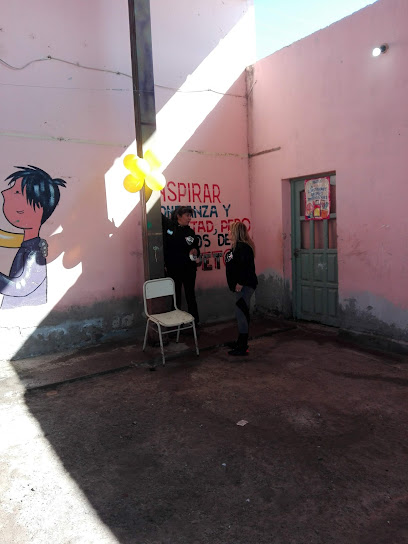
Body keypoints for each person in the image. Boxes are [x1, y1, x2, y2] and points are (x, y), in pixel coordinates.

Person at [0, 165, 66, 309]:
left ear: (37, 209)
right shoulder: (30, 245)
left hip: (24, 312)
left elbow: (21, 288)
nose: (5, 193)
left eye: (16, 192)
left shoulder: (34, 252)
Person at [161, 205, 200, 325]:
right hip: (174, 269)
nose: (189, 218)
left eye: (190, 216)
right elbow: (157, 214)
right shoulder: (170, 228)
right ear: (179, 216)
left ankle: (194, 323)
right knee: (175, 297)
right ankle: (175, 325)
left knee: (190, 296)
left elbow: (196, 248)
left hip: (189, 270)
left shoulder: (190, 232)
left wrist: (195, 251)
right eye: (187, 215)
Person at [225, 221, 258, 356]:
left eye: (230, 230)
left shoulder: (243, 247)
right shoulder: (237, 247)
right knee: (241, 313)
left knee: (241, 314)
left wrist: (240, 282)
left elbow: (245, 268)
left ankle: (243, 346)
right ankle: (240, 341)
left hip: (244, 286)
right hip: (242, 286)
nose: (228, 232)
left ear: (236, 233)